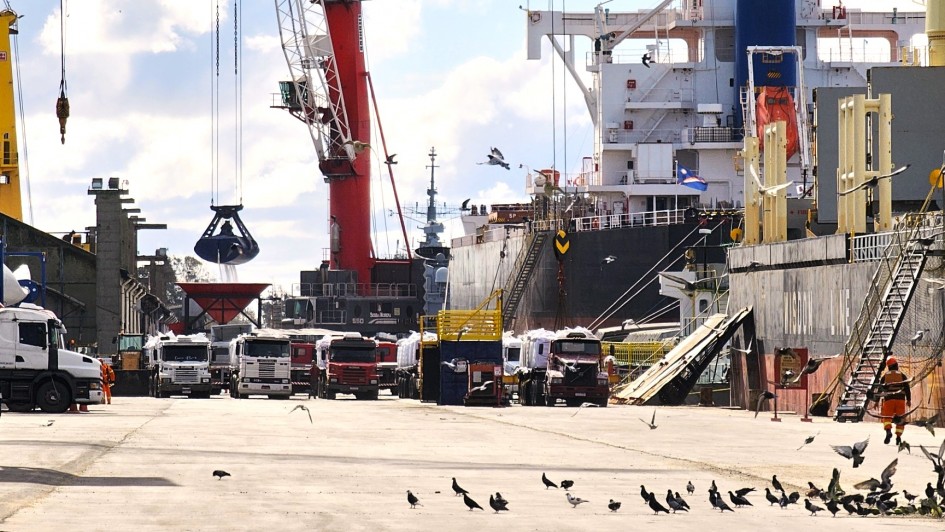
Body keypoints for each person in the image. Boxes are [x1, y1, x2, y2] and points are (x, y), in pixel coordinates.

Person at [880, 356, 910, 445]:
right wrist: (909, 399)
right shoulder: (902, 375)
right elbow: (907, 388)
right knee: (900, 419)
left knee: (887, 418)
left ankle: (888, 431)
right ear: (896, 365)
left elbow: (880, 389)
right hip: (900, 400)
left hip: (889, 400)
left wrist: (876, 400)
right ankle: (898, 437)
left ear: (888, 367)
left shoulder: (885, 376)